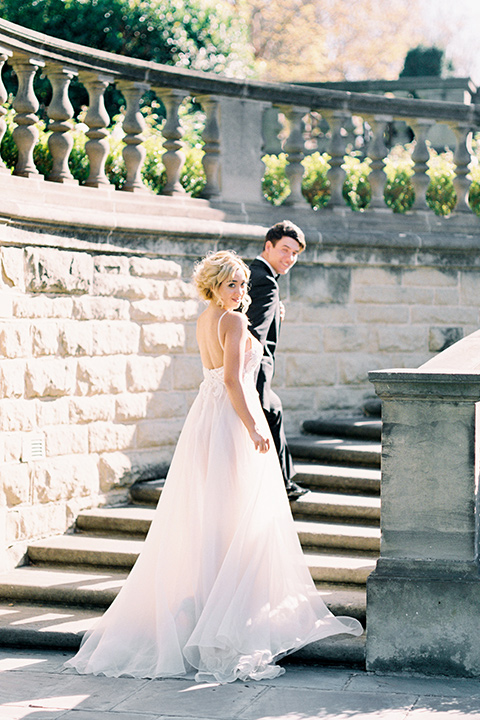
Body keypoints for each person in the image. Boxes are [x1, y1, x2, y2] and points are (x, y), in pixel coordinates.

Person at [65, 250, 362, 684]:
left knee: (215, 510)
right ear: (214, 287)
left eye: (243, 284)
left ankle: (208, 607)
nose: (241, 291)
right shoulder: (233, 320)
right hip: (230, 416)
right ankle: (227, 615)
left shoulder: (206, 318)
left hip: (206, 417)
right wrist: (254, 429)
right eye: (232, 285)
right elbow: (233, 381)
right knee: (239, 512)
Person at [247, 220, 307, 501]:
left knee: (275, 410)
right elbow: (255, 338)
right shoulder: (266, 282)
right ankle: (279, 485)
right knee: (267, 413)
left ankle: (284, 481)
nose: (290, 258)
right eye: (285, 250)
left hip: (250, 369)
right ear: (268, 246)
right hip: (255, 369)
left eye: (295, 254)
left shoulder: (253, 273)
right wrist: (252, 382)